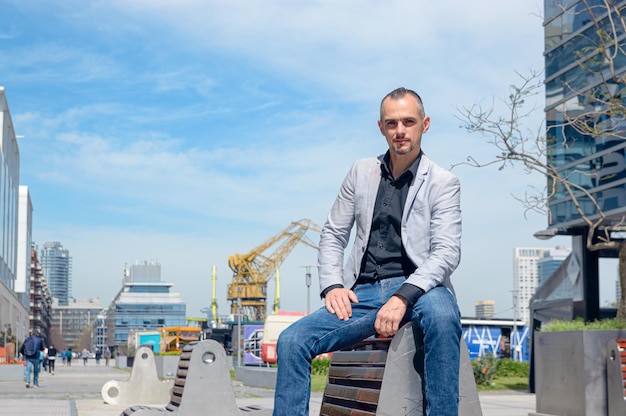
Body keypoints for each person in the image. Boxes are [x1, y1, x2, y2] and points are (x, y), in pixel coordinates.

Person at [273, 88, 462, 416]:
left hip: (420, 287)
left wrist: (403, 296)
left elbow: (446, 252)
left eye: (408, 121)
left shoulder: (443, 182)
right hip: (364, 294)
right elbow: (333, 233)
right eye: (391, 123)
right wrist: (332, 285)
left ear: (425, 124)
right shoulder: (361, 172)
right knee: (292, 341)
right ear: (381, 127)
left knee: (444, 318)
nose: (399, 130)